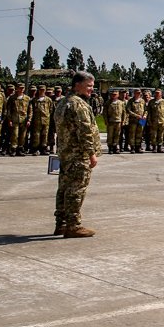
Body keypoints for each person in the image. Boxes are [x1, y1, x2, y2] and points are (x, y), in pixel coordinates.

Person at [54, 71, 101, 238]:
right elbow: (85, 131)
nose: (91, 89)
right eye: (88, 86)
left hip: (66, 153)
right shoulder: (78, 104)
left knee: (64, 188)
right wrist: (91, 154)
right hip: (78, 154)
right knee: (76, 189)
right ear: (77, 85)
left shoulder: (62, 103)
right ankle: (73, 225)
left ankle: (61, 223)